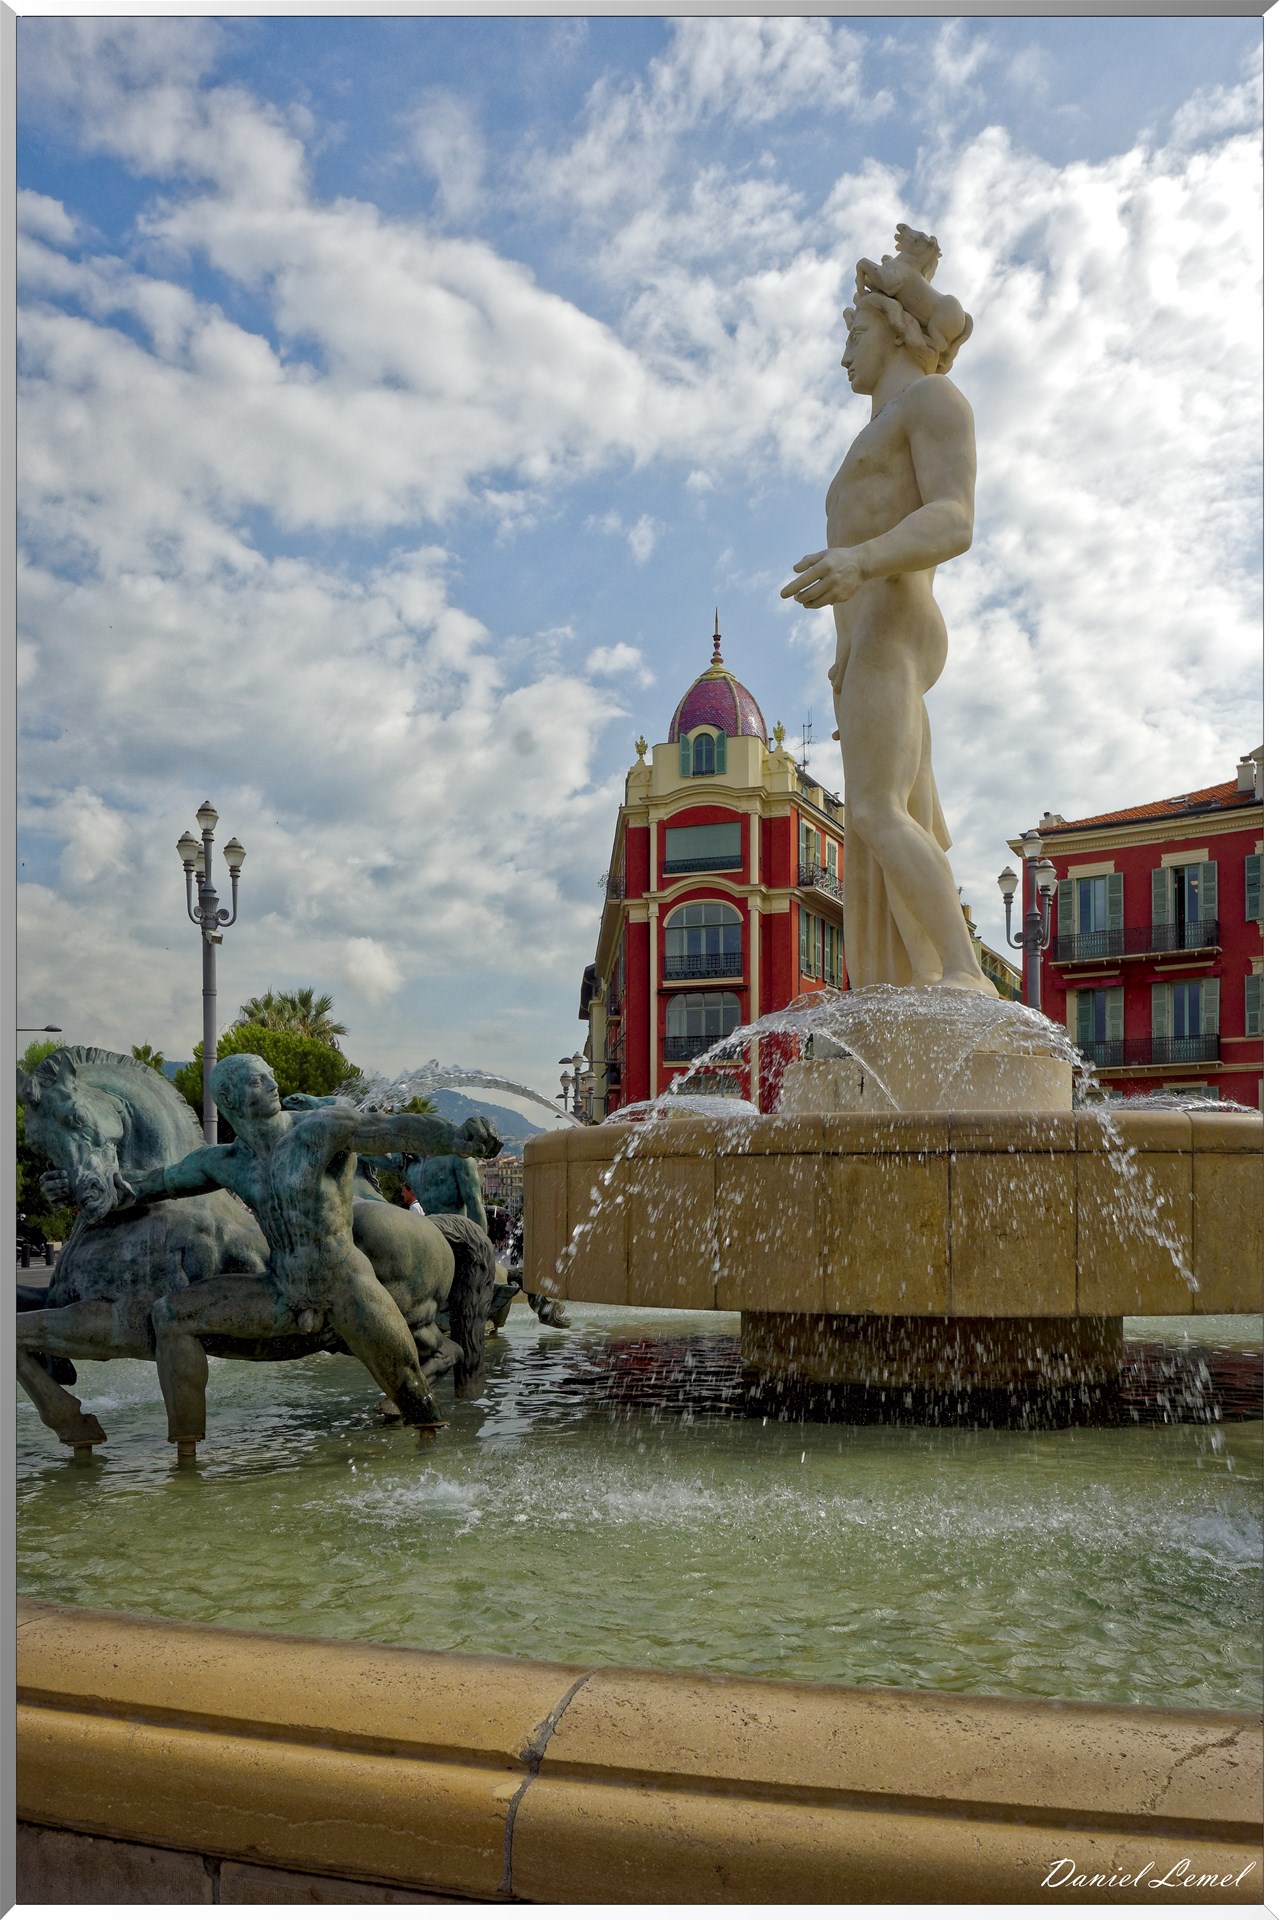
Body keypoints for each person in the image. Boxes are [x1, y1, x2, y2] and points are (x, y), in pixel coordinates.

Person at [781, 226, 998, 997]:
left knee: (873, 809)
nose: (844, 355)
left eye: (854, 333)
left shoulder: (933, 399)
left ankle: (965, 977)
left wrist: (859, 559)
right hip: (868, 636)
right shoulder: (875, 427)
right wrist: (844, 662)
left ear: (894, 329)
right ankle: (898, 985)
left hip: (895, 619)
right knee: (889, 818)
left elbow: (954, 518)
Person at [111, 1054, 474, 1452]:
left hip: (345, 1285)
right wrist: (96, 1188)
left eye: (269, 1073)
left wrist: (456, 1139)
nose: (271, 1083)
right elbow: (155, 1183)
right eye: (256, 1080)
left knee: (409, 1387)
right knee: (170, 1315)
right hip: (281, 1288)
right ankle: (185, 1457)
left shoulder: (318, 1130)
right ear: (229, 1100)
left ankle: (432, 1463)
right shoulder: (225, 1162)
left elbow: (393, 1130)